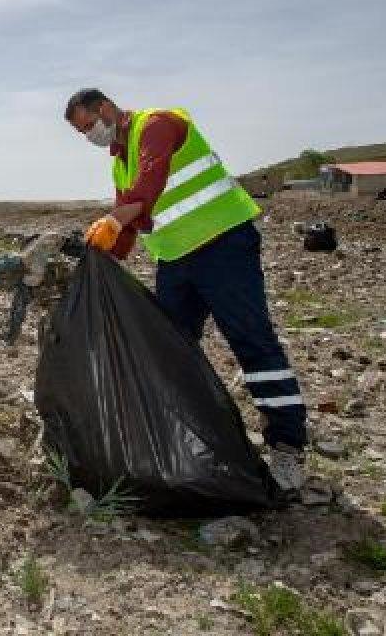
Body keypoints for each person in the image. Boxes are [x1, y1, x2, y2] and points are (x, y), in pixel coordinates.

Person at [63, 88, 308, 494]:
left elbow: (148, 188)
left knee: (251, 340)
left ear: (105, 108)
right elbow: (129, 221)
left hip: (223, 244)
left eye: (90, 125)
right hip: (176, 260)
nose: (90, 135)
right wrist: (102, 254)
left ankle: (288, 445)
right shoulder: (120, 162)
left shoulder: (157, 124)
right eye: (81, 132)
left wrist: (114, 219)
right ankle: (186, 439)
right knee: (172, 346)